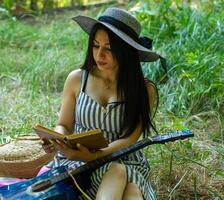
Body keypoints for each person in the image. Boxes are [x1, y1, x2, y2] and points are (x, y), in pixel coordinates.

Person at [43, 7, 165, 200]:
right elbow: (64, 124)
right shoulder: (77, 79)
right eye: (95, 45)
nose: (99, 55)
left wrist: (96, 155)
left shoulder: (144, 89)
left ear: (126, 51)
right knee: (129, 190)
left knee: (129, 185)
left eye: (108, 48)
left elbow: (130, 138)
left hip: (124, 158)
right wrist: (60, 140)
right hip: (77, 160)